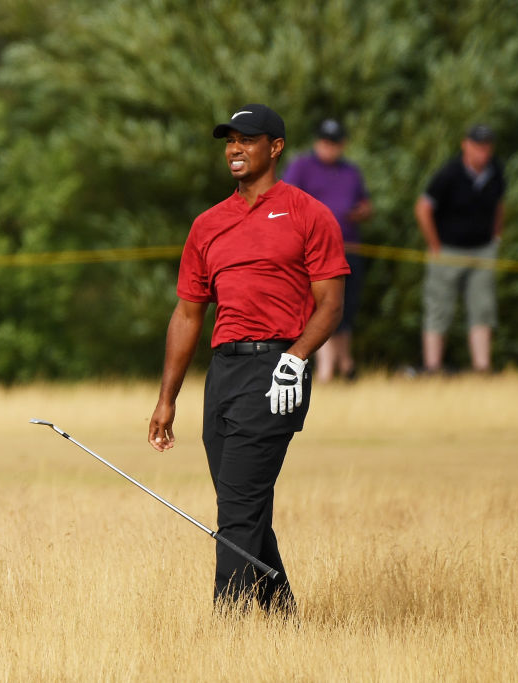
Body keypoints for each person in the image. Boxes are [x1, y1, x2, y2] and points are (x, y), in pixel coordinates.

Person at [147, 104, 349, 615]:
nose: (234, 149)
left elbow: (331, 306)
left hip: (278, 369)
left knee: (236, 512)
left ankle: (228, 630)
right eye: (229, 141)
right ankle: (283, 620)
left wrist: (297, 359)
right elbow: (188, 315)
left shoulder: (308, 214)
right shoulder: (208, 224)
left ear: (275, 147)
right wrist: (166, 398)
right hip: (224, 374)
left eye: (247, 140)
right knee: (246, 508)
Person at [283, 118, 372, 381]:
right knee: (322, 307)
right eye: (325, 141)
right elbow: (286, 202)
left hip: (349, 248)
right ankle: (324, 370)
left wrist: (362, 212)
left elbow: (365, 204)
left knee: (346, 307)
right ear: (317, 141)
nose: (329, 147)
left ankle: (345, 365)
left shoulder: (351, 171)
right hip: (314, 251)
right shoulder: (301, 166)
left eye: (335, 142)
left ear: (342, 144)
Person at [414, 124, 506, 374]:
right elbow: (423, 208)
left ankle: (482, 367)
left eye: (487, 147)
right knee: (438, 308)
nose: (483, 153)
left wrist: (496, 236)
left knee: (483, 309)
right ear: (465, 145)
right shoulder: (449, 173)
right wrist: (435, 246)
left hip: (483, 250)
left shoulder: (496, 170)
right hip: (449, 251)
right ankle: (432, 367)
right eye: (478, 146)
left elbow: (499, 204)